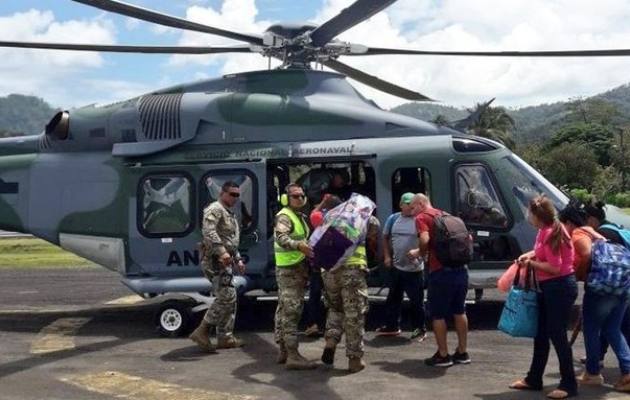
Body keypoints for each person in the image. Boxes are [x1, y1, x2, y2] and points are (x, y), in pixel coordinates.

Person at [509, 196, 578, 399]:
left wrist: (532, 264)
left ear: (537, 215)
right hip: (550, 287)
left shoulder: (550, 232)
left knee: (557, 335)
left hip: (560, 287)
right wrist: (529, 255)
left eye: (529, 212)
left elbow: (554, 267)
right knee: (541, 334)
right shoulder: (545, 230)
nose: (527, 215)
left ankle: (569, 384)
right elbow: (542, 253)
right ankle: (534, 378)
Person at [408, 194, 470, 367]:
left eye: (413, 207)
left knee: (438, 314)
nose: (412, 212)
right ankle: (462, 352)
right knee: (460, 310)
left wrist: (419, 253)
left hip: (441, 271)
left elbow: (425, 239)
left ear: (421, 204)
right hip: (461, 270)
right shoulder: (445, 215)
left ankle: (443, 355)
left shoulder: (422, 217)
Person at [320, 198, 380, 373]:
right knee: (354, 314)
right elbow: (374, 229)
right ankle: (354, 360)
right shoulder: (362, 217)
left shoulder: (329, 216)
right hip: (352, 271)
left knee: (335, 308)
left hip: (329, 270)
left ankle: (331, 340)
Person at [190, 181, 246, 352]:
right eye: (232, 194)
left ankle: (225, 337)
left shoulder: (229, 213)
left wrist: (237, 259)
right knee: (226, 297)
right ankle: (202, 330)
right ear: (222, 193)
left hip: (225, 261)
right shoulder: (215, 209)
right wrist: (222, 252)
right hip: (214, 261)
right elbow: (209, 232)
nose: (235, 198)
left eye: (237, 195)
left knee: (231, 297)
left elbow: (230, 240)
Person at [581, 201, 630, 392]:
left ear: (592, 219)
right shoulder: (619, 231)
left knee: (591, 328)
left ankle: (592, 373)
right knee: (613, 329)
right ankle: (627, 372)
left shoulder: (602, 234)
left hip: (603, 289)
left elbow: (588, 257)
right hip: (623, 289)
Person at [273, 183, 317, 370]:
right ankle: (292, 355)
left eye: (301, 196)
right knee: (291, 311)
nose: (299, 199)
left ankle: (283, 350)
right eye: (295, 196)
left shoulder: (300, 216)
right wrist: (299, 246)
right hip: (289, 270)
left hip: (297, 269)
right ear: (286, 198)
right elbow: (281, 238)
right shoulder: (284, 216)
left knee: (284, 308)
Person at [376, 193, 426, 340]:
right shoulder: (393, 219)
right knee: (393, 298)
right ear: (401, 205)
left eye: (413, 204)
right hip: (397, 267)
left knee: (416, 301)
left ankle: (419, 329)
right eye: (408, 204)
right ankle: (392, 326)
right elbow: (385, 237)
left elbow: (426, 240)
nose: (411, 207)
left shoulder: (419, 220)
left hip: (414, 269)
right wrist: (386, 256)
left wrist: (421, 254)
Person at [305, 194, 343, 337]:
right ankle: (331, 327)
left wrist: (322, 202)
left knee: (315, 294)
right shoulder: (342, 220)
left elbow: (313, 214)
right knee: (333, 296)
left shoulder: (320, 218)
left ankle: (312, 324)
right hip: (334, 263)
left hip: (318, 262)